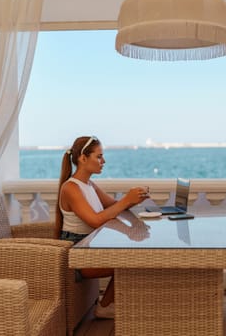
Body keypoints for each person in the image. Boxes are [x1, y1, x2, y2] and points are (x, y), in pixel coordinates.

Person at [56, 135, 150, 319]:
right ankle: (106, 306)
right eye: (99, 156)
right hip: (76, 254)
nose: (103, 161)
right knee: (132, 260)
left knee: (134, 255)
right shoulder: (71, 188)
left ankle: (111, 303)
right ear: (83, 159)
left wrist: (135, 198)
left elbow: (113, 205)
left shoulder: (89, 185)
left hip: (88, 247)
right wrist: (126, 200)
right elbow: (95, 220)